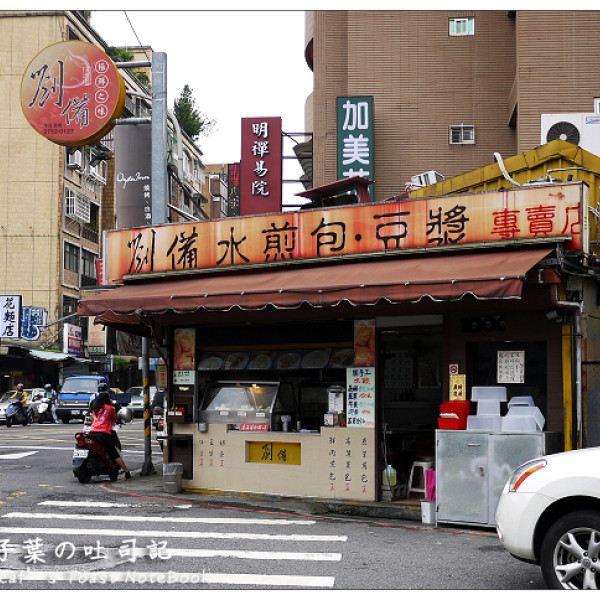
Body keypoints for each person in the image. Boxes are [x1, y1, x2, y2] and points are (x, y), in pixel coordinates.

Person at [90, 391, 131, 479]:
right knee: (114, 453)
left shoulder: (95, 408)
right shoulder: (110, 408)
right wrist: (112, 404)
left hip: (92, 432)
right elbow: (114, 418)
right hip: (103, 433)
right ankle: (126, 471)